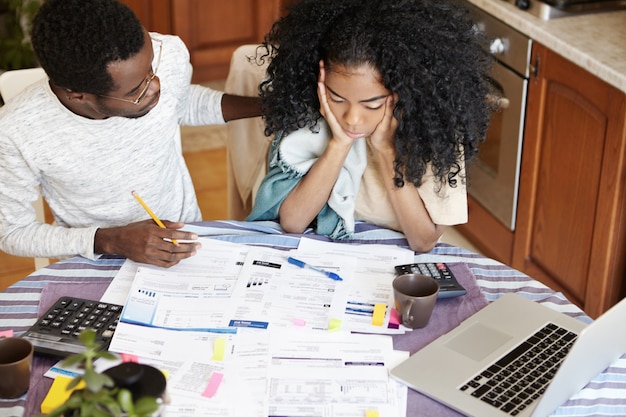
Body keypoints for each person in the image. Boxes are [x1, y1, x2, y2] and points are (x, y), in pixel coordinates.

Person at [0, 0, 261, 267]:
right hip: (96, 265)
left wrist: (267, 107)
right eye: (135, 90)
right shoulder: (17, 132)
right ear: (78, 95)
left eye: (152, 68)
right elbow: (13, 232)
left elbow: (179, 104)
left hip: (186, 244)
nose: (155, 86)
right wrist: (110, 240)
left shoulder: (168, 53)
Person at [247, 0, 495, 252]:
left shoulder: (434, 133)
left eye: (372, 105)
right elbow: (293, 222)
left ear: (401, 91)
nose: (352, 118)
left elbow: (424, 241)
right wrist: (339, 144)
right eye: (337, 98)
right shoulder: (309, 115)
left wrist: (387, 152)